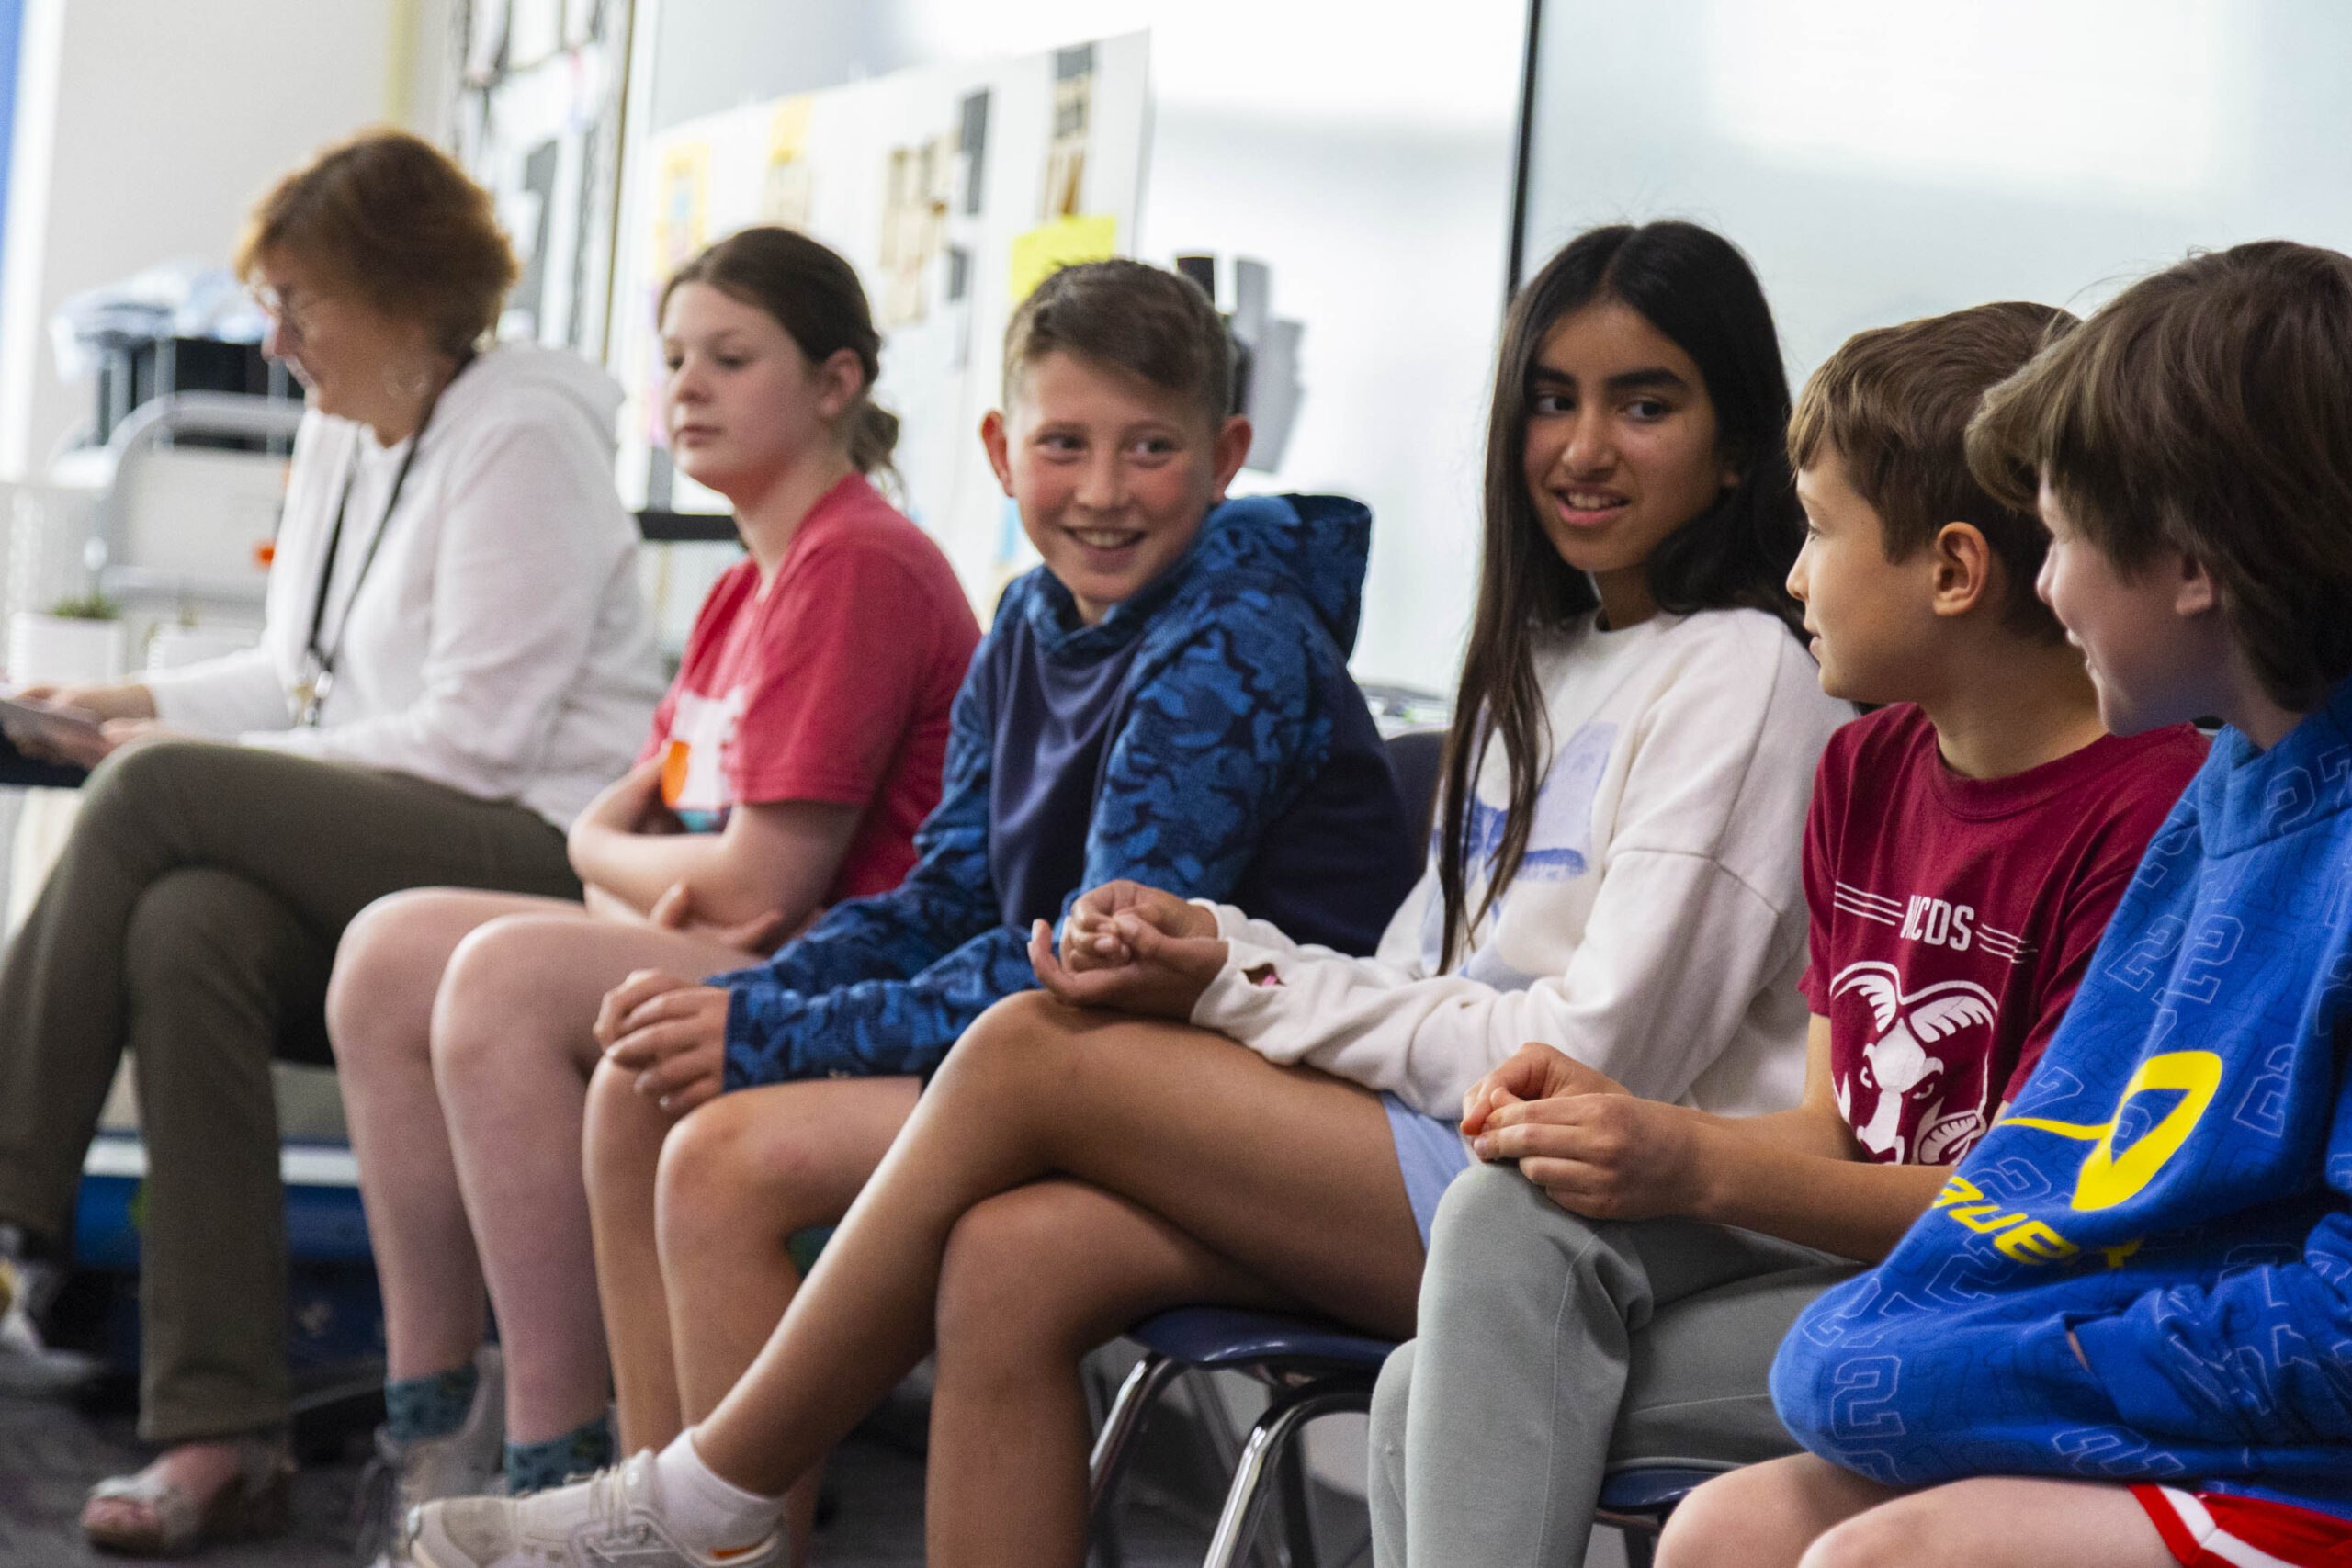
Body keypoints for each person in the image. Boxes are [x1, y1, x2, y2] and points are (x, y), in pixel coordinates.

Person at [410, 220, 1852, 1568]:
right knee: (1011, 1257)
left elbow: (1594, 1067)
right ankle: (694, 1495)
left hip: (1558, 1209)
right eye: (1552, 401)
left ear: (1738, 443)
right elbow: (1416, 973)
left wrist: (1237, 978)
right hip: (1425, 1135)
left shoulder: (1742, 671)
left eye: (1644, 405)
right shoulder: (1539, 654)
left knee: (1034, 1047)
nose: (1584, 448)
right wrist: (1233, 966)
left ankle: (703, 1495)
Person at [554, 254, 1423, 1560]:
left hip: (1229, 1091)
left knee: (724, 1159)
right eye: (1064, 445)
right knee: (644, 1081)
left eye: (1150, 448)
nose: (1104, 491)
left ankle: (715, 1525)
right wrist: (740, 1003)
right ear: (1001, 451)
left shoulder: (1235, 641)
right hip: (1068, 1055)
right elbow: (950, 894)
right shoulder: (1027, 617)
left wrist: (764, 1035)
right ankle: (655, 1525)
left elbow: (1084, 971)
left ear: (1226, 456)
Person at [1366, 301, 2209, 1568]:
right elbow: (1834, 1127)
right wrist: (1623, 1128)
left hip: (2013, 1303)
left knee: (1428, 1398)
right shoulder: (1867, 766)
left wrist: (1686, 1162)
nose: (1796, 576)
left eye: (1818, 530)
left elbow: (2031, 1216)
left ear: (1954, 571)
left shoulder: (2149, 813)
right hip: (1858, 1249)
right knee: (1502, 1217)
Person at [0, 130, 664, 1555]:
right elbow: (301, 676)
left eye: (300, 303)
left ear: (407, 297)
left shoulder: (524, 433)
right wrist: (126, 707)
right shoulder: (348, 432)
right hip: (402, 837)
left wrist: (169, 766)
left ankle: (3, 1200)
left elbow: (474, 739)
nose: (275, 339)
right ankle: (220, 1431)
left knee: (154, 800)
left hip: (533, 854)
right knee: (188, 926)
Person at [1658, 241, 2352, 1568]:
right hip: (2214, 1395)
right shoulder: (2231, 798)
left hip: (2311, 1456)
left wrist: (1986, 1364)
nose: (2047, 585)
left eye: (2069, 534)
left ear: (2192, 564)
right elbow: (2059, 1173)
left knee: (1885, 1552)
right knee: (1725, 1531)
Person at [324, 225, 979, 1539]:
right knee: (386, 954)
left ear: (837, 383)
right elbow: (677, 869)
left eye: (730, 359)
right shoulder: (743, 589)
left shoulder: (857, 562)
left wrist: (594, 849)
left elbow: (752, 874)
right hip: (748, 942)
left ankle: (554, 1462)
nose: (687, 387)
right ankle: (434, 1422)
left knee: (503, 979)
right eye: (675, 358)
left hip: (848, 980)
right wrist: (642, 874)